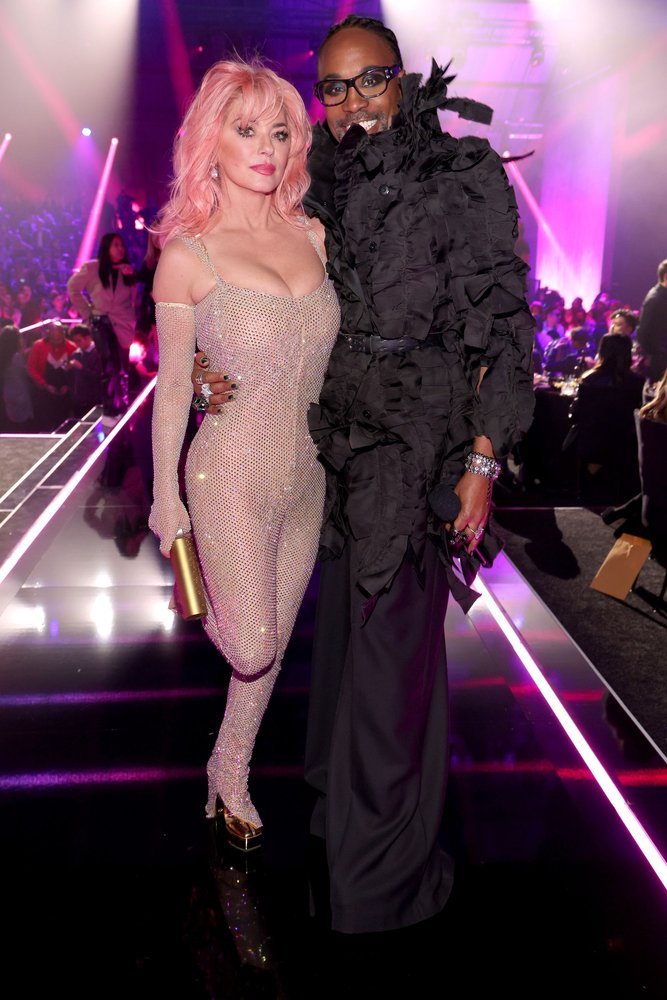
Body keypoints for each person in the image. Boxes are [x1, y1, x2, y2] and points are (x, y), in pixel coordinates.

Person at [194, 17, 534, 933]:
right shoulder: (324, 182)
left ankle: (378, 883)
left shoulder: (462, 178)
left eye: (369, 81)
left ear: (404, 78)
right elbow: (249, 282)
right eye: (333, 90)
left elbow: (504, 332)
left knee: (388, 664)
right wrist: (199, 364)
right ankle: (329, 802)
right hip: (328, 443)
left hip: (418, 450)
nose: (352, 105)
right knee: (346, 648)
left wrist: (480, 462)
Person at [148, 60, 340, 852]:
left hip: (307, 480)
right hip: (225, 472)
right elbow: (168, 390)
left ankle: (229, 773)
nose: (265, 146)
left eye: (279, 130)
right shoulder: (189, 255)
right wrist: (166, 501)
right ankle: (198, 598)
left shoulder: (313, 234)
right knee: (253, 642)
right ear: (209, 141)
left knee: (266, 659)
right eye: (244, 128)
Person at [67, 232, 137, 417]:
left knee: (123, 366)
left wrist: (131, 277)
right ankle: (110, 408)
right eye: (115, 245)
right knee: (109, 364)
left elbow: (133, 300)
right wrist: (86, 312)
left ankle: (122, 405)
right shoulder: (92, 267)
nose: (120, 248)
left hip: (123, 322)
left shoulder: (126, 269)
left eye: (122, 245)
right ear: (106, 247)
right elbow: (72, 288)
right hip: (101, 320)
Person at [26, 320, 77, 430]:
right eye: (54, 335)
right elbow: (31, 367)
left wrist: (68, 385)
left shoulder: (72, 347)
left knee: (64, 422)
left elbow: (75, 370)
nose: (57, 338)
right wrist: (44, 384)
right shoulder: (38, 346)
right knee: (46, 421)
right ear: (48, 334)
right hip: (44, 392)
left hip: (65, 393)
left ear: (64, 333)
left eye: (60, 334)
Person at [636, 260, 667, 382]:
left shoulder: (661, 296)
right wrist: (657, 354)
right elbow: (643, 332)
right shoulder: (656, 298)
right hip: (658, 361)